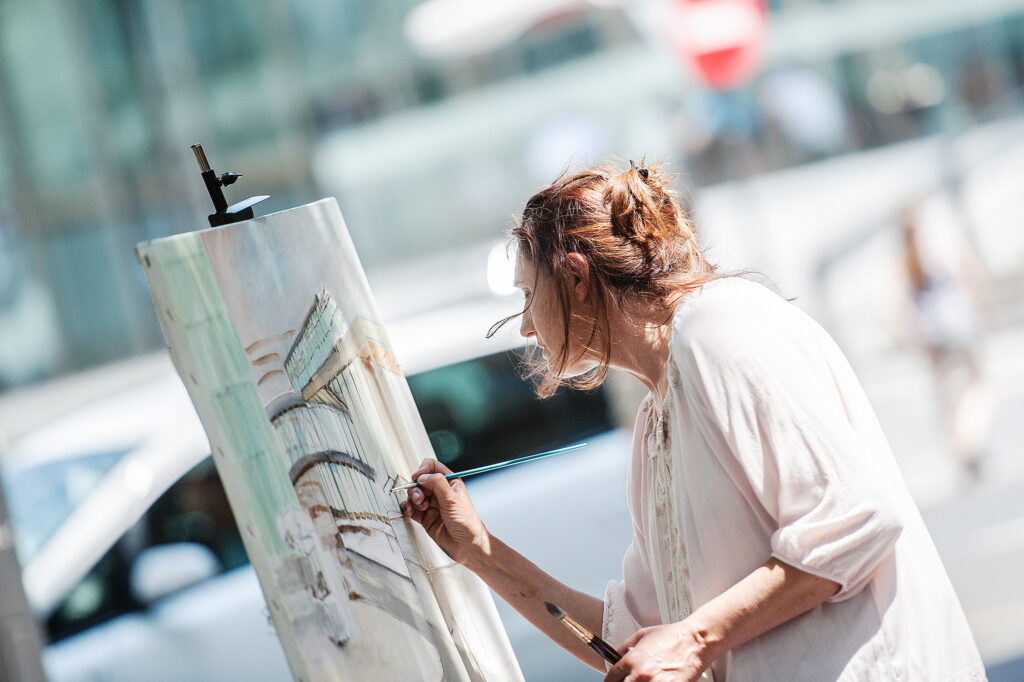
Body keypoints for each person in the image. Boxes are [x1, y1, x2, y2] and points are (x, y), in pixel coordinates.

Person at [401, 160, 985, 681]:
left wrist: (695, 638)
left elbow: (857, 517)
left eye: (528, 297)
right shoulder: (659, 414)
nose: (526, 327)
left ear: (577, 276)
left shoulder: (720, 323)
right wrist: (479, 551)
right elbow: (629, 637)